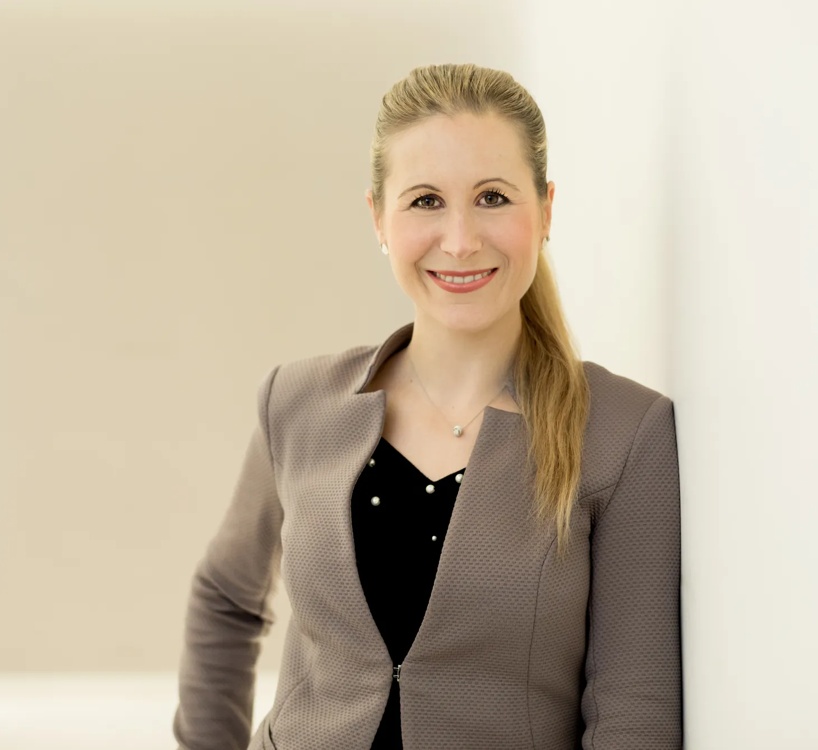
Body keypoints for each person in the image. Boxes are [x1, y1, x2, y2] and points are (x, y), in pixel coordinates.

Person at [173, 63, 681, 750]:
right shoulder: (295, 403)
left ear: (547, 210)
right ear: (378, 217)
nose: (462, 239)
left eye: (494, 197)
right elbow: (225, 603)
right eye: (425, 201)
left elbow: (634, 714)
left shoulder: (626, 433)